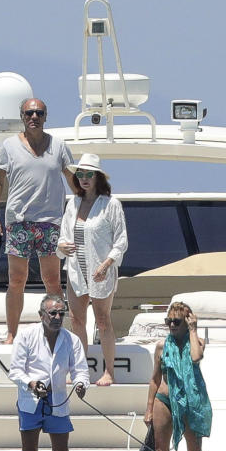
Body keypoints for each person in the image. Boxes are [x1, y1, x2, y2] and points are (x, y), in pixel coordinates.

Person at [0, 98, 79, 343]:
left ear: (46, 116)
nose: (34, 117)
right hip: (19, 220)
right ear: (22, 116)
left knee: (52, 280)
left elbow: (73, 179)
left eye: (39, 113)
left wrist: (87, 203)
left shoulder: (59, 146)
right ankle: (11, 333)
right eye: (29, 113)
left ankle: (57, 331)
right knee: (17, 280)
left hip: (50, 222)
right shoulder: (9, 146)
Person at [8, 294, 89, 451]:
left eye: (61, 313)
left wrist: (82, 384)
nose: (57, 317)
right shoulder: (26, 335)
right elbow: (15, 370)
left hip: (58, 400)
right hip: (30, 402)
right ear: (41, 315)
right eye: (52, 313)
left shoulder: (71, 339)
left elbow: (80, 370)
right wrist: (31, 383)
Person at [141, 301, 219, 451]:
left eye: (177, 321)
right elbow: (155, 379)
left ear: (187, 323)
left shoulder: (198, 342)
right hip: (163, 400)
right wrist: (148, 408)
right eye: (169, 321)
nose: (172, 325)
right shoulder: (161, 346)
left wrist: (194, 329)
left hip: (190, 402)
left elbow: (196, 357)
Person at [56, 154, 128, 387]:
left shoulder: (111, 204)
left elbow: (121, 241)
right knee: (76, 320)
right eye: (80, 174)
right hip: (77, 270)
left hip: (101, 270)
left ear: (98, 177)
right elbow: (63, 237)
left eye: (89, 174)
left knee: (103, 320)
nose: (84, 179)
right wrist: (61, 247)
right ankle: (79, 371)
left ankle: (109, 373)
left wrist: (107, 265)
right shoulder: (72, 204)